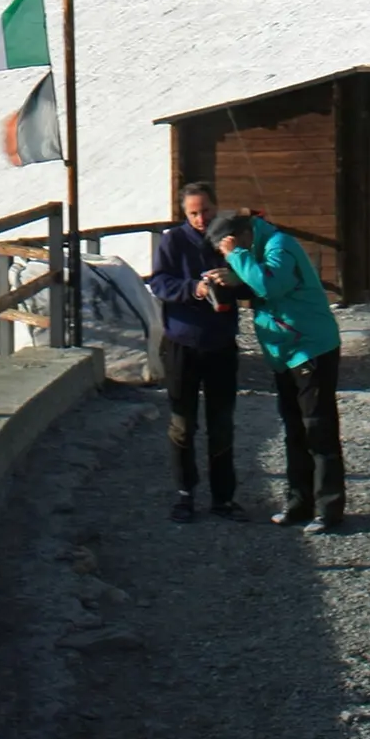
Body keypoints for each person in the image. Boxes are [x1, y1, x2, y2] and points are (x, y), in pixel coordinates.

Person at [211, 208, 347, 530]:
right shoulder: (256, 252)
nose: (227, 254)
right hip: (285, 353)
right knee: (294, 431)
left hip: (311, 346)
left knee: (318, 429)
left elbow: (270, 284)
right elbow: (255, 283)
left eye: (226, 247)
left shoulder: (279, 245)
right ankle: (299, 504)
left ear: (239, 237)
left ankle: (329, 509)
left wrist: (237, 260)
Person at [145, 180, 245, 522]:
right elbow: (159, 282)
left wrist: (233, 278)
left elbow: (252, 282)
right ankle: (184, 494)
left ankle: (223, 498)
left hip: (221, 344)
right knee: (182, 424)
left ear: (216, 207)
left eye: (205, 211)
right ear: (184, 213)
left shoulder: (229, 240)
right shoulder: (172, 240)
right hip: (182, 345)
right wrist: (195, 288)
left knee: (222, 424)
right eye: (194, 213)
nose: (201, 218)